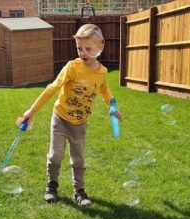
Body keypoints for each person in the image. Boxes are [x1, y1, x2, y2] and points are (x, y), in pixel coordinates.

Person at [20, 24, 122, 207]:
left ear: (101, 46)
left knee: (78, 159)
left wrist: (112, 106)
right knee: (55, 155)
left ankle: (79, 190)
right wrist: (32, 110)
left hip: (80, 123)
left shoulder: (102, 72)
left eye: (87, 48)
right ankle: (52, 185)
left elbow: (105, 91)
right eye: (79, 48)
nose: (82, 52)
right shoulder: (72, 67)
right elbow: (52, 88)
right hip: (60, 118)